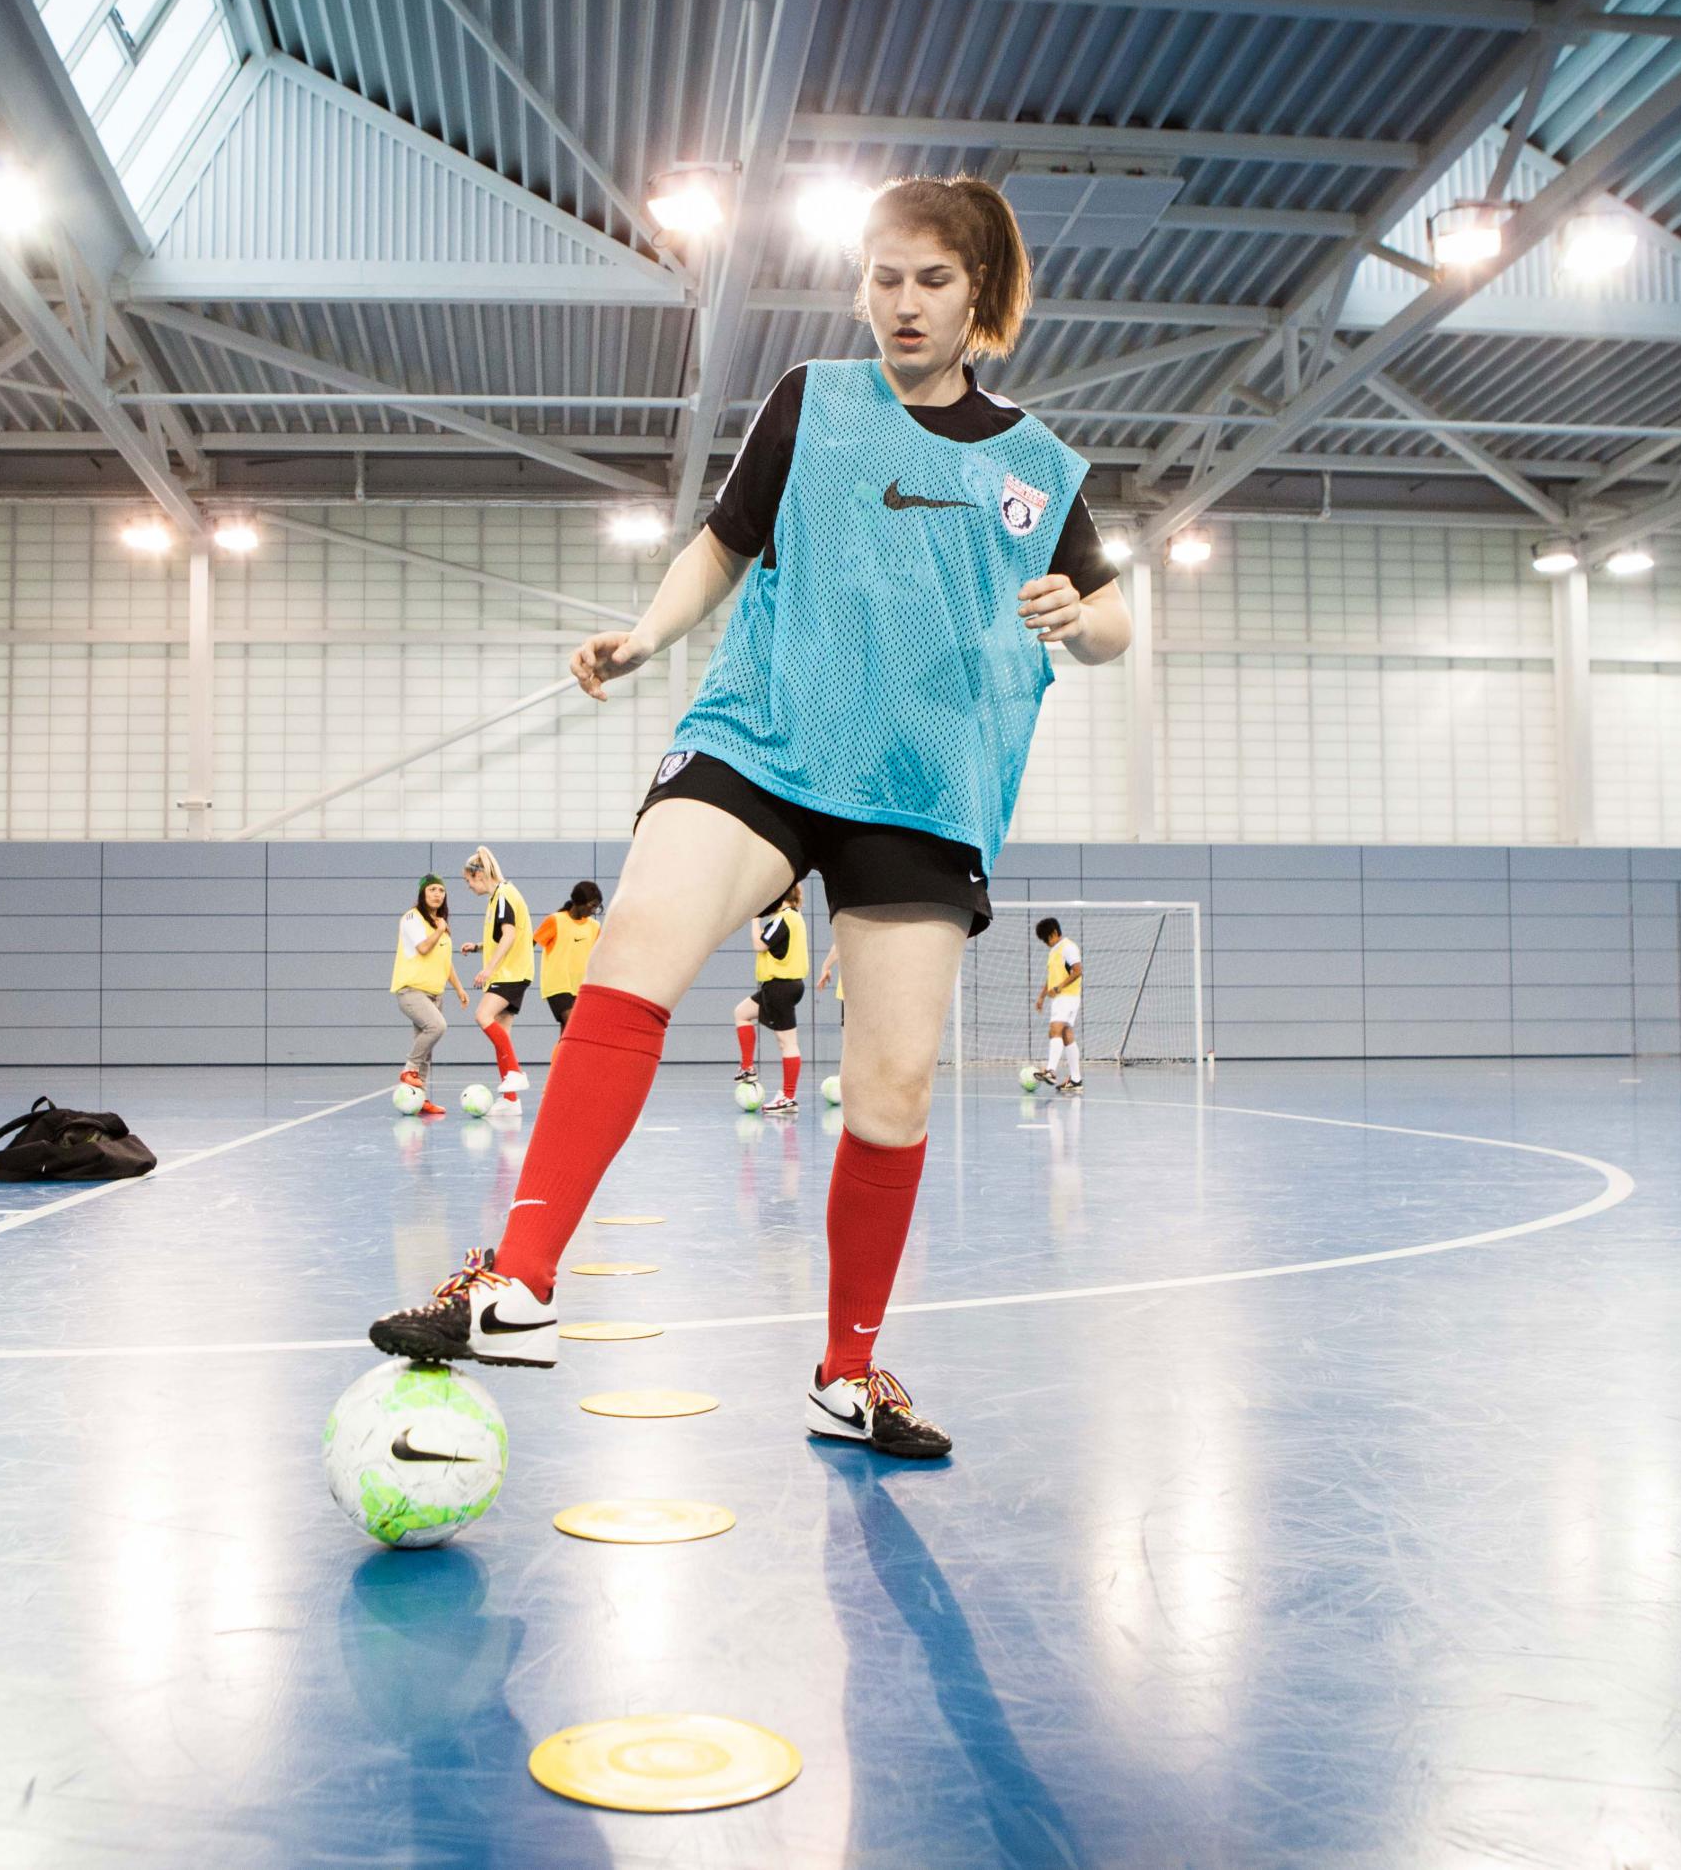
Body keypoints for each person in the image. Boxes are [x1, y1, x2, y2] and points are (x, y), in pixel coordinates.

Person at [367, 174, 1128, 1458]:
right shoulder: (811, 404)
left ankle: (849, 1372)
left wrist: (1079, 618)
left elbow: (1109, 615)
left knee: (888, 1089)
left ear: (980, 295)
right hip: (765, 734)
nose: (899, 303)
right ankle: (522, 1282)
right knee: (638, 945)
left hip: (922, 785)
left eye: (930, 281)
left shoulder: (1033, 465)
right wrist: (648, 635)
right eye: (883, 276)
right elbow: (721, 544)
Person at [454, 846, 533, 1102]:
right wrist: (478, 947)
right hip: (512, 972)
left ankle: (517, 1073)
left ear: (479, 875)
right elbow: (503, 936)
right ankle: (511, 1100)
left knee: (482, 1015)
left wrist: (487, 970)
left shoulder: (503, 894)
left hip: (509, 974)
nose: (469, 887)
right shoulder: (497, 898)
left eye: (468, 881)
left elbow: (510, 935)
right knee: (502, 1036)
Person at [390, 876, 471, 1118]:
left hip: (435, 993)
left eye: (442, 890)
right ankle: (408, 1069)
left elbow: (446, 963)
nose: (438, 894)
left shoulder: (441, 925)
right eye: (433, 889)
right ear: (423, 893)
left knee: (427, 1050)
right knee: (437, 1027)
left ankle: (419, 1100)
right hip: (411, 990)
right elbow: (424, 948)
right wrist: (439, 930)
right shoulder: (413, 918)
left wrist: (459, 989)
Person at [736, 883, 810, 1113]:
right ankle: (748, 1067)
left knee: (787, 1043)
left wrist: (754, 919)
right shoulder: (792, 918)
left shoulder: (785, 918)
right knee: (741, 1013)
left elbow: (760, 944)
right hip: (778, 987)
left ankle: (788, 1097)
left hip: (782, 986)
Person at [534, 881, 604, 1027]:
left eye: (597, 907)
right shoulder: (555, 920)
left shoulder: (594, 926)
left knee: (568, 1035)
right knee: (575, 1028)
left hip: (582, 987)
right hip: (558, 985)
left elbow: (599, 958)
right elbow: (529, 944)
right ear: (579, 902)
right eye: (592, 906)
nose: (593, 911)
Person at [1034, 916, 1084, 1095]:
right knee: (1066, 1034)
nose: (1046, 943)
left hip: (1067, 996)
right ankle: (1076, 1080)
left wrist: (1060, 987)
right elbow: (1052, 977)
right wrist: (1041, 997)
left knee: (1054, 1030)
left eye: (1046, 939)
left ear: (1054, 933)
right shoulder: (1054, 951)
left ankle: (1051, 1071)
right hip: (1061, 998)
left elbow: (1078, 971)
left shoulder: (1068, 947)